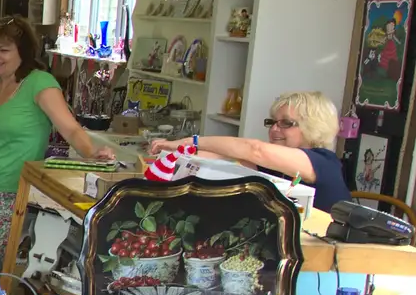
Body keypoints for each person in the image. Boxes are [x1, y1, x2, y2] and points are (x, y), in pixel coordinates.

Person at [0, 15, 116, 281]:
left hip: (12, 194)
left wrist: (91, 152)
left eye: (4, 49)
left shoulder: (40, 83)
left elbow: (69, 128)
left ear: (22, 51)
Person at [149, 90, 351, 213]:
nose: (273, 129)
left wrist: (187, 142)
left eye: (286, 123)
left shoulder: (323, 162)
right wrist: (172, 155)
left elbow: (254, 149)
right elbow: (217, 157)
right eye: (272, 122)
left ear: (313, 126)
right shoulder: (273, 161)